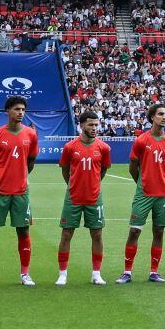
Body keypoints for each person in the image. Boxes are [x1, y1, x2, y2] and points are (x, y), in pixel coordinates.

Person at [0, 95, 38, 287]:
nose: (20, 113)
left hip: (21, 191)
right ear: (8, 111)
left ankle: (25, 274)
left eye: (23, 110)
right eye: (17, 109)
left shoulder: (31, 135)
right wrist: (0, 177)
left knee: (23, 231)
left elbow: (31, 162)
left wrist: (20, 177)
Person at [123, 107, 165, 283]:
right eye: (160, 114)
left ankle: (154, 271)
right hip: (144, 193)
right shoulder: (141, 140)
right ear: (152, 117)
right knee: (134, 231)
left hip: (162, 194)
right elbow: (132, 167)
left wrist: (159, 180)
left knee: (159, 231)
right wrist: (143, 182)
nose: (163, 117)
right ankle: (127, 272)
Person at [54, 120, 111, 284]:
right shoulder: (70, 147)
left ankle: (96, 274)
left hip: (94, 197)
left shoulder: (104, 148)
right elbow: (65, 170)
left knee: (97, 234)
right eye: (90, 125)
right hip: (73, 196)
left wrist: (94, 184)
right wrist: (73, 186)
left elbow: (104, 169)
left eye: (96, 125)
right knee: (66, 234)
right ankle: (63, 274)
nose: (94, 128)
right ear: (82, 126)